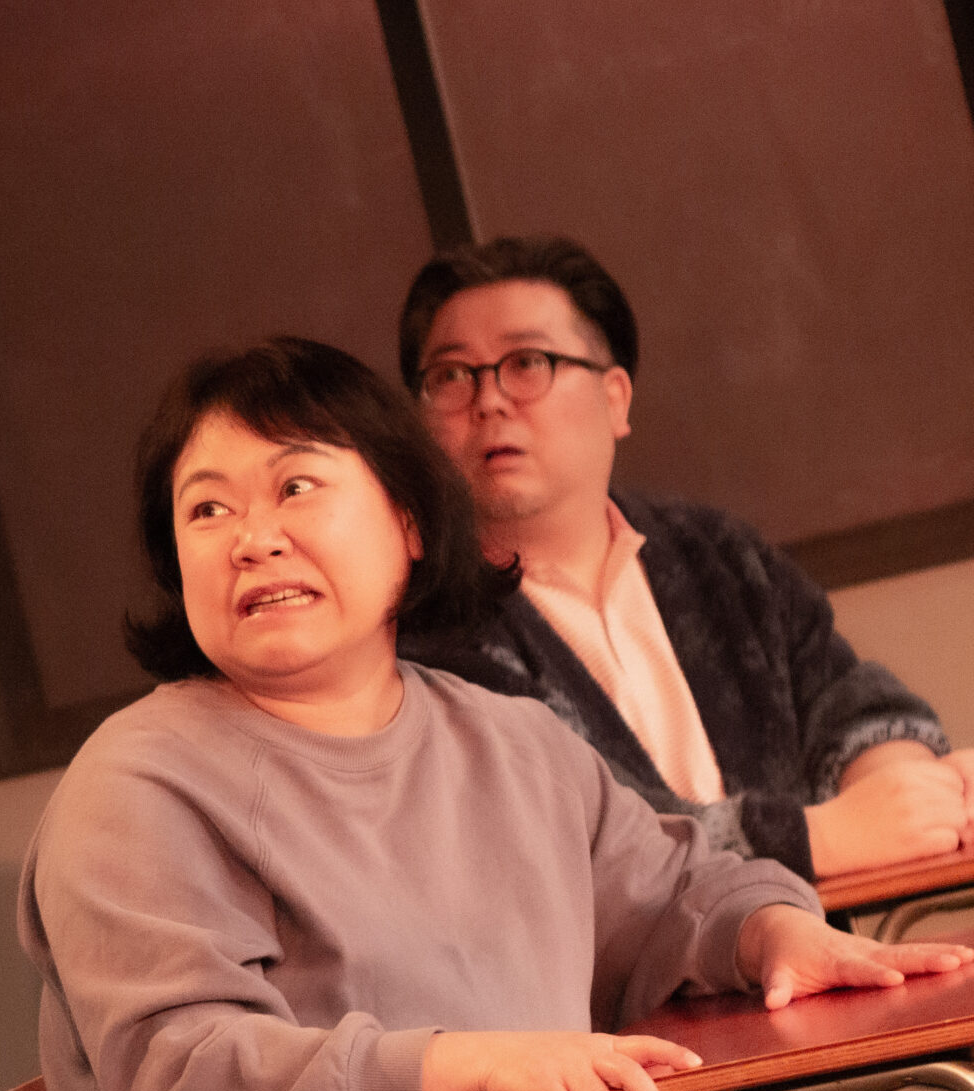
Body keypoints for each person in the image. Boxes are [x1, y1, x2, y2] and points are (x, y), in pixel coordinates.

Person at [18, 336, 969, 1091]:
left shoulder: (506, 738)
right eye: (206, 509)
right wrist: (454, 1067)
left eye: (294, 486)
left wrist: (775, 932)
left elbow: (671, 888)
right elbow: (189, 1072)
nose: (250, 538)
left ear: (409, 521)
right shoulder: (138, 786)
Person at [395, 236, 973, 880]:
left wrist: (906, 785)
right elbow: (582, 836)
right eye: (451, 376)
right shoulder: (422, 620)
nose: (489, 400)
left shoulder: (715, 551)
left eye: (527, 362)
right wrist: (815, 838)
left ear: (615, 398)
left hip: (826, 930)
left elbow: (842, 693)